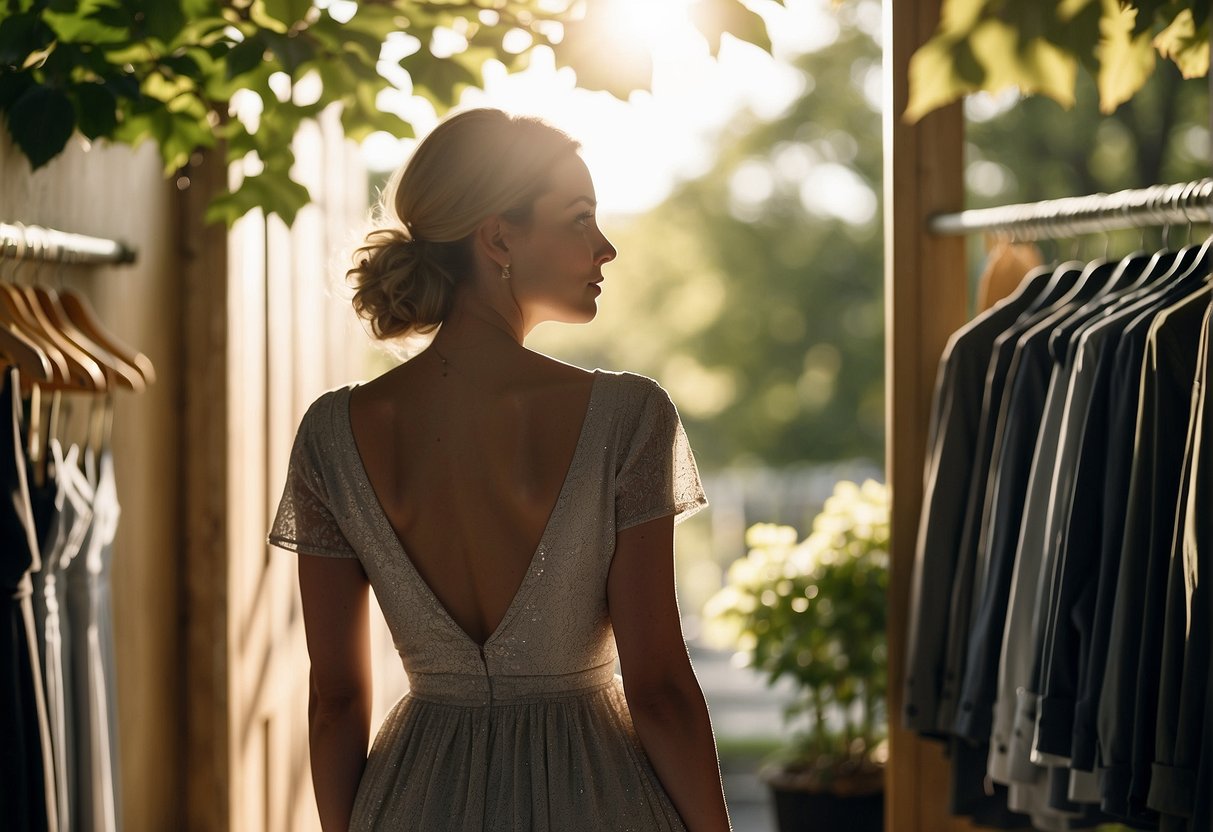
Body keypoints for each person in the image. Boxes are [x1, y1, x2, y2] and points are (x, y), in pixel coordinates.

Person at [269, 108, 731, 832]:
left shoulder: (332, 435)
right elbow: (661, 688)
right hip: (596, 795)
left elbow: (334, 699)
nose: (604, 248)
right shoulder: (628, 417)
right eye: (579, 219)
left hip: (413, 799)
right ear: (498, 238)